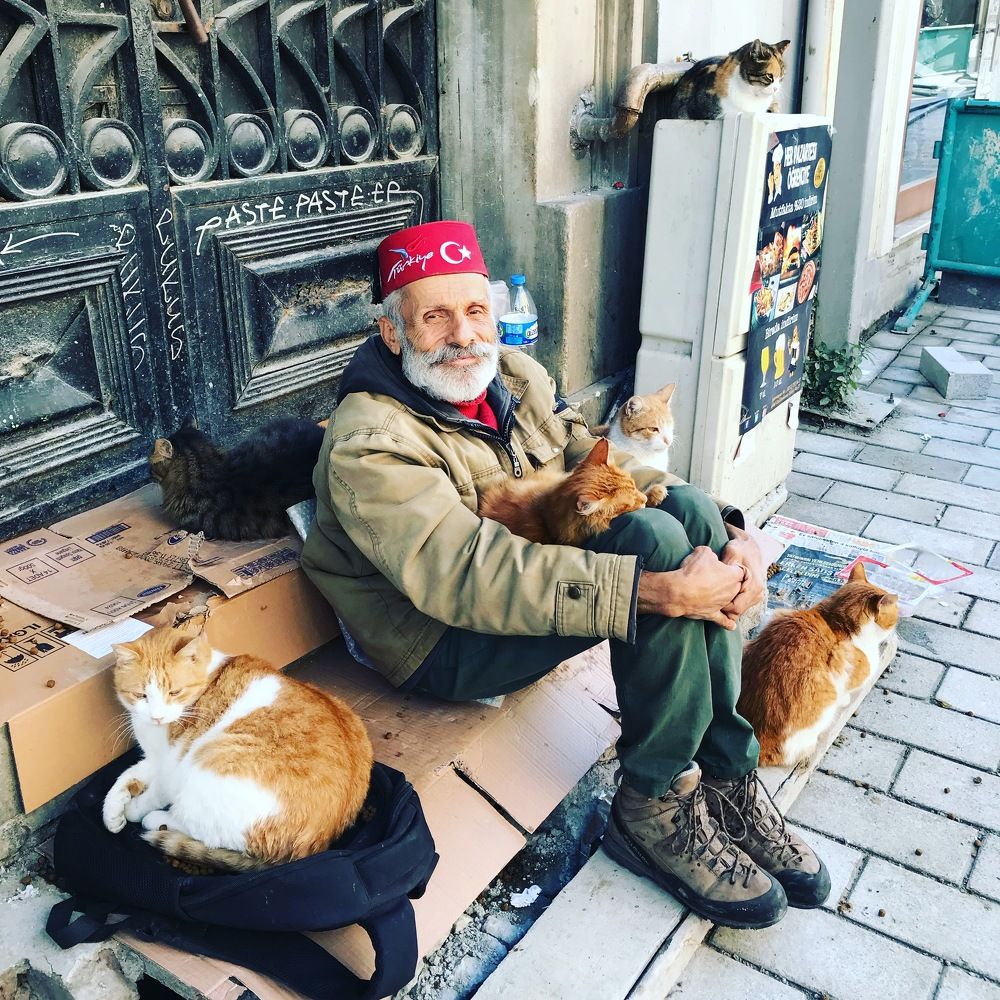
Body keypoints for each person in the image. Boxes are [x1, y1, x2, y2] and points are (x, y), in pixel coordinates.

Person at [302, 220, 830, 928]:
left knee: (690, 516)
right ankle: (651, 806)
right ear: (395, 334)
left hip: (522, 582)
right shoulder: (370, 441)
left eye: (476, 310)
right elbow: (465, 575)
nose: (463, 334)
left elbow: (593, 457)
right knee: (650, 548)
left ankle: (725, 778)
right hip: (440, 637)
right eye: (435, 316)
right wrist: (652, 592)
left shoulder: (513, 377)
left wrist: (737, 537)